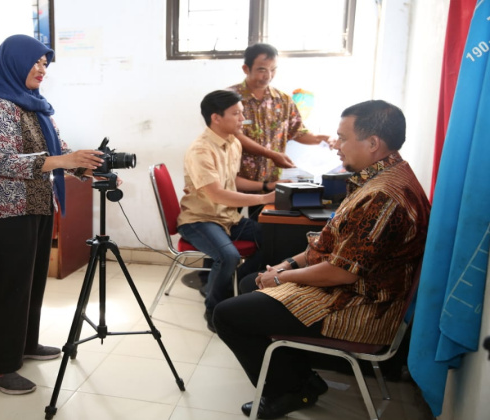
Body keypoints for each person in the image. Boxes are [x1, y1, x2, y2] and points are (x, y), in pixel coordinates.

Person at [213, 100, 430, 418]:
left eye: (343, 138)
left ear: (372, 144)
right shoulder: (379, 178)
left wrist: (281, 277)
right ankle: (301, 380)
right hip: (350, 288)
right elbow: (327, 243)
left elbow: (341, 273)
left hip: (361, 307)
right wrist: (287, 265)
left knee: (226, 315)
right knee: (250, 282)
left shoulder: (383, 196)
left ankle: (288, 391)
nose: (337, 146)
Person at [0, 34, 105, 395]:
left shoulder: (36, 105)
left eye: (45, 64)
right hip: (6, 210)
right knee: (8, 288)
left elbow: (58, 151)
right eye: (35, 61)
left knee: (31, 284)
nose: (41, 69)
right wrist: (66, 161)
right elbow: (0, 162)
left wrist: (87, 167)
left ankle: (24, 345)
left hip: (37, 204)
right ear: (14, 62)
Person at [176, 90, 277, 333]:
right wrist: (264, 197)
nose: (243, 119)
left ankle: (240, 286)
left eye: (242, 113)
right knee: (228, 256)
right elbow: (216, 194)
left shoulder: (233, 143)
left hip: (227, 218)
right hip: (200, 220)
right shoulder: (200, 150)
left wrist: (267, 186)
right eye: (237, 114)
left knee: (275, 236)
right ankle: (215, 311)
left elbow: (231, 182)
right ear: (216, 118)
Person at [228, 43, 330, 217]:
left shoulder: (283, 100)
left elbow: (297, 132)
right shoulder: (230, 98)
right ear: (246, 68)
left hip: (270, 180)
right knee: (227, 226)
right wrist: (272, 154)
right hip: (235, 178)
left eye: (273, 69)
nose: (268, 76)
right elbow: (234, 136)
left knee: (264, 231)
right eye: (262, 69)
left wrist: (322, 138)